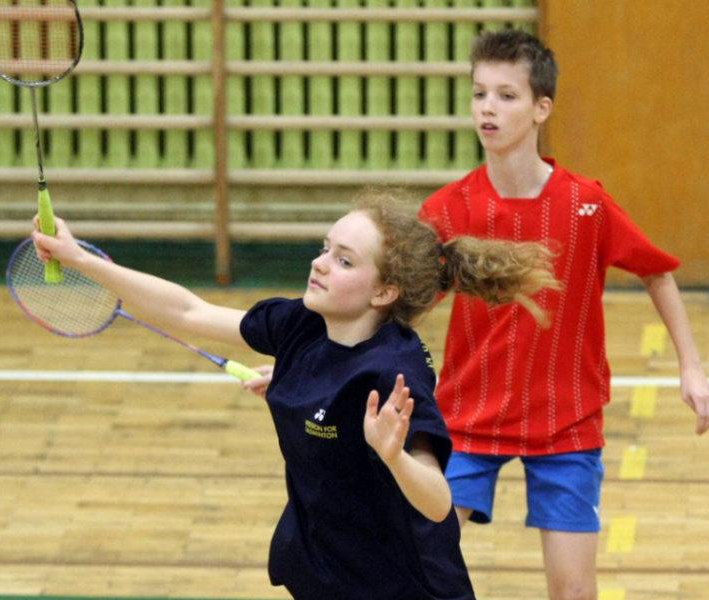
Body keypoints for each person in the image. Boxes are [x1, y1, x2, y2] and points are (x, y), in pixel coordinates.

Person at [30, 187, 558, 600]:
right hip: (327, 570)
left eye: (345, 260)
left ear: (383, 292)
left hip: (401, 585)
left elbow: (440, 502)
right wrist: (81, 260)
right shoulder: (304, 326)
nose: (320, 263)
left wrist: (394, 455)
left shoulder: (392, 373)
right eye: (326, 248)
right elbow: (190, 312)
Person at [414, 29, 709, 600]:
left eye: (506, 95)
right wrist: (317, 365)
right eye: (479, 93)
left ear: (540, 108)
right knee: (421, 573)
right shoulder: (447, 211)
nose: (487, 108)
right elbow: (400, 306)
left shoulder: (586, 205)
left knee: (574, 594)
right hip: (467, 420)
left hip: (567, 423)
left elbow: (656, 271)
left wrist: (692, 367)